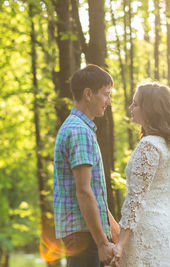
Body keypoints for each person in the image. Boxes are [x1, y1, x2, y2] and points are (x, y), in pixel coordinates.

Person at [112, 82, 170, 266]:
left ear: (150, 109)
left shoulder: (149, 145)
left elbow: (136, 199)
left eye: (136, 104)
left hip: (147, 232)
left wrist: (120, 243)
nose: (131, 107)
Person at [53, 64, 119, 266]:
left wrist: (114, 233)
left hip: (87, 232)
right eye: (106, 94)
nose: (108, 101)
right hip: (84, 234)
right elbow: (84, 191)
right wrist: (101, 242)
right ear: (88, 94)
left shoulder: (81, 129)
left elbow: (95, 193)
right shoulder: (79, 131)